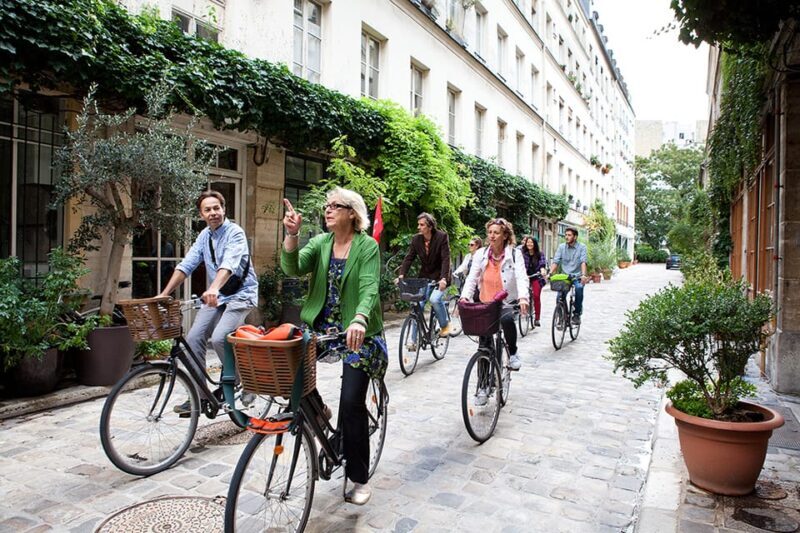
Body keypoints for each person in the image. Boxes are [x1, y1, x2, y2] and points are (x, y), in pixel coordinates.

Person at [281, 187, 386, 506]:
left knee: (352, 403)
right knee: (290, 378)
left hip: (358, 333)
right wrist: (292, 235)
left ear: (352, 213)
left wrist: (360, 319)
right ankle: (320, 410)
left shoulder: (367, 246)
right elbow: (293, 267)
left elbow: (369, 287)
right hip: (322, 329)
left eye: (335, 206)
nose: (327, 210)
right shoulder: (321, 243)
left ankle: (359, 478)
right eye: (326, 206)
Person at [159, 190, 258, 412]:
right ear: (201, 214)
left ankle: (244, 380)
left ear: (224, 209)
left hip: (241, 294)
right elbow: (187, 264)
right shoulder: (204, 236)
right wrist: (165, 293)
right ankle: (199, 396)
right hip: (218, 296)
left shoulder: (235, 233)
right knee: (193, 338)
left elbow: (229, 264)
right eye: (207, 210)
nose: (213, 213)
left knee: (220, 337)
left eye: (216, 208)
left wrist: (213, 287)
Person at [460, 218, 529, 381]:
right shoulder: (480, 254)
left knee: (506, 319)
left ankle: (512, 352)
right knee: (484, 344)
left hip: (506, 301)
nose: (492, 235)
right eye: (490, 232)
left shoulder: (514, 254)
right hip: (485, 301)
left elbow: (521, 277)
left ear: (505, 235)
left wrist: (523, 297)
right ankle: (483, 385)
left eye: (496, 233)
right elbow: (472, 278)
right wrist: (465, 296)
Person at [397, 213, 453, 347]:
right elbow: (409, 257)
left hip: (440, 277)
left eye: (422, 225)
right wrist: (401, 274)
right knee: (418, 306)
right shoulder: (416, 239)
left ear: (430, 226)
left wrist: (443, 279)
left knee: (434, 299)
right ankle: (413, 341)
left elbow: (446, 259)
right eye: (419, 224)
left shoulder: (441, 237)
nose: (419, 227)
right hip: (424, 277)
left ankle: (445, 325)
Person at [549, 227, 588, 324]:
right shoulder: (561, 247)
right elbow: (556, 261)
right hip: (565, 276)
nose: (566, 237)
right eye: (565, 235)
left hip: (577, 276)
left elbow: (583, 262)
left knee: (579, 288)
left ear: (575, 237)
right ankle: (562, 317)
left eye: (569, 235)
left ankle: (577, 314)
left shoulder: (582, 247)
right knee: (559, 297)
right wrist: (550, 273)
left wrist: (583, 275)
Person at [519, 235, 547, 327]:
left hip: (536, 277)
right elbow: (520, 265)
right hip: (525, 277)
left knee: (536, 296)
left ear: (534, 244)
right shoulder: (523, 254)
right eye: (528, 242)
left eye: (531, 242)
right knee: (522, 294)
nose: (529, 244)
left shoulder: (539, 254)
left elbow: (542, 264)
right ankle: (523, 311)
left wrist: (542, 270)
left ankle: (537, 318)